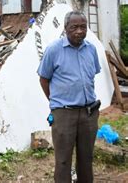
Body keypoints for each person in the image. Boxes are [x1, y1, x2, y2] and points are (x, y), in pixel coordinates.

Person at [37, 11, 101, 183]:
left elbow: (91, 75)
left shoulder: (91, 49)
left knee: (86, 159)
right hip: (64, 114)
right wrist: (56, 104)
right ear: (66, 29)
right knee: (63, 160)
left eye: (83, 27)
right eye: (74, 27)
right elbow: (43, 79)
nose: (79, 31)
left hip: (89, 113)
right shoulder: (53, 50)